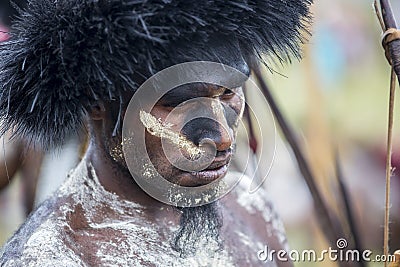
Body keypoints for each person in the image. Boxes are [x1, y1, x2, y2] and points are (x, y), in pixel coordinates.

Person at [0, 0, 312, 266]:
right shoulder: (57, 258)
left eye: (228, 93)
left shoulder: (251, 208)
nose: (224, 138)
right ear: (98, 101)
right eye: (179, 102)